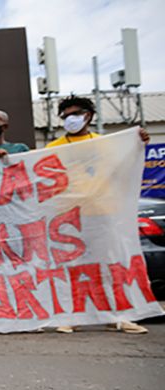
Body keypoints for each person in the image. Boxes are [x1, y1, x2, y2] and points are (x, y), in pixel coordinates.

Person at [47, 95, 150, 334]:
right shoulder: (53, 149)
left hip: (104, 214)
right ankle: (71, 317)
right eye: (66, 115)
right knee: (72, 268)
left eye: (75, 114)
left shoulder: (106, 144)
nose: (70, 119)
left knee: (111, 265)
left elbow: (125, 167)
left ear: (88, 115)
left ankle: (119, 316)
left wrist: (136, 144)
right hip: (70, 218)